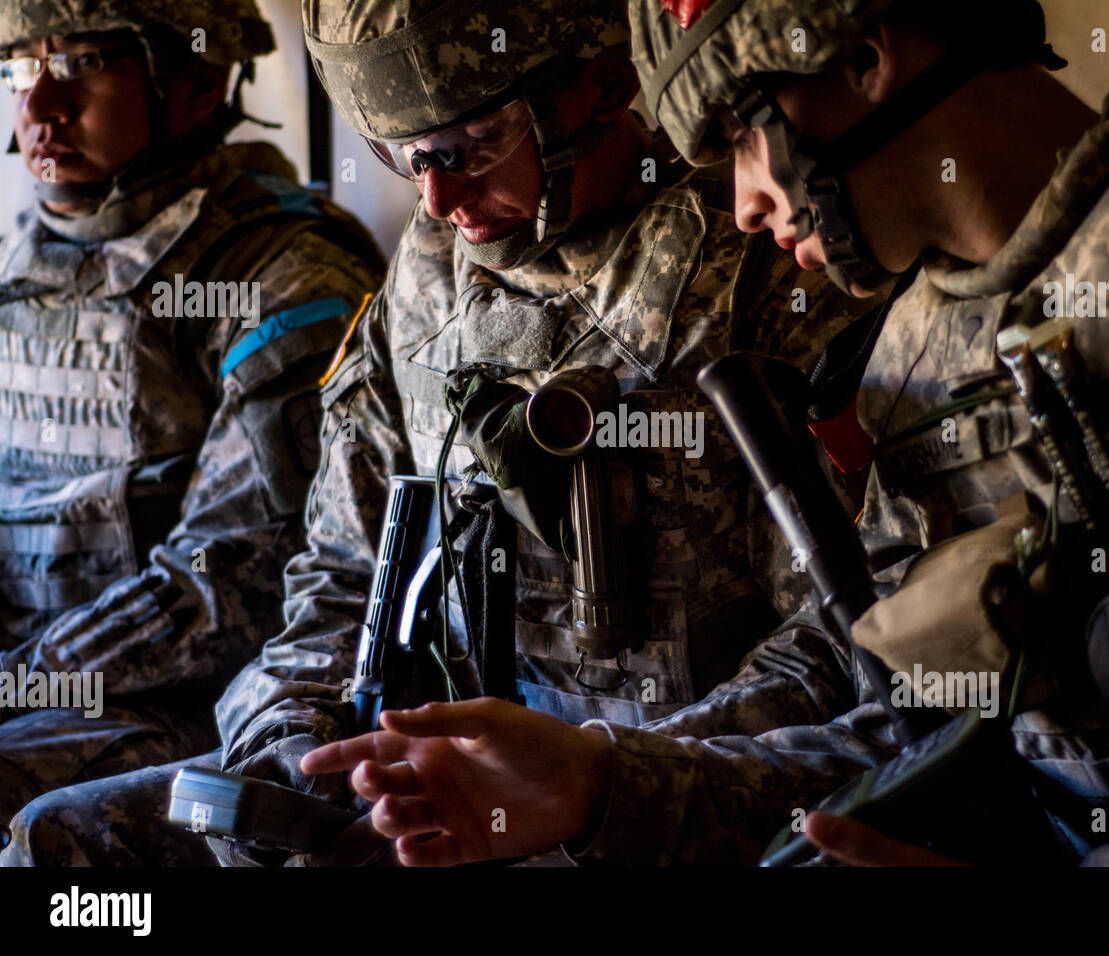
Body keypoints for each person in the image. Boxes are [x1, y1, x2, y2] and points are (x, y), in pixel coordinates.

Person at [300, 0, 1109, 867]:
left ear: (864, 58)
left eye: (741, 130)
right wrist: (604, 782)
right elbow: (904, 715)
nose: (739, 205)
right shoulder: (909, 349)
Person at [4, 0, 862, 866]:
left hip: (654, 793)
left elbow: (833, 648)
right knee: (63, 841)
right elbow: (340, 573)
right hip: (430, 775)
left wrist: (601, 778)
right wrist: (292, 739)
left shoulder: (768, 268)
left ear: (605, 85)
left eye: (463, 150)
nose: (435, 199)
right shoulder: (424, 281)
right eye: (405, 158)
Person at [0, 0, 385, 861]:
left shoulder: (280, 272)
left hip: (188, 709)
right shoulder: (22, 261)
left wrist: (17, 678)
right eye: (23, 67)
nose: (39, 108)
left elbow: (232, 586)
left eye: (82, 66)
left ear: (198, 82)